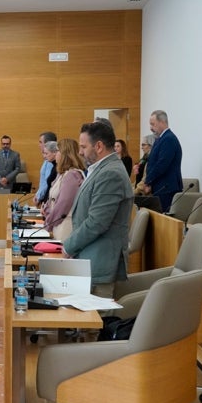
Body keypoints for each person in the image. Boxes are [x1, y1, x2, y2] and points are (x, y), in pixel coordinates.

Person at [63, 121, 134, 299]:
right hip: (88, 258)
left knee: (92, 325)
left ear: (99, 146)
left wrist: (69, 246)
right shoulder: (99, 169)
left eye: (83, 147)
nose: (80, 152)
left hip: (99, 263)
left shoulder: (111, 173)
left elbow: (97, 222)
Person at [41, 138, 86, 240]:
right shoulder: (62, 174)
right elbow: (53, 199)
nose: (55, 154)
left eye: (57, 151)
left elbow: (63, 205)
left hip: (65, 228)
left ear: (65, 154)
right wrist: (46, 208)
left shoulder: (72, 175)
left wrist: (48, 222)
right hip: (57, 225)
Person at [142, 110, 183, 211]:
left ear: (162, 122)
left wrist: (148, 181)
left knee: (164, 222)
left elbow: (162, 164)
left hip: (166, 188)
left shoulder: (168, 139)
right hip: (160, 187)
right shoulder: (160, 138)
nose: (151, 128)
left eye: (153, 124)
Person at [34, 131, 57, 207]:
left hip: (47, 199)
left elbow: (47, 183)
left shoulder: (50, 162)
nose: (39, 145)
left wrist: (38, 196)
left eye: (40, 142)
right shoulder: (47, 160)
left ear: (47, 143)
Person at [38, 141, 59, 205]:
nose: (44, 156)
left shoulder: (57, 168)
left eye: (46, 153)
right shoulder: (53, 166)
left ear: (54, 153)